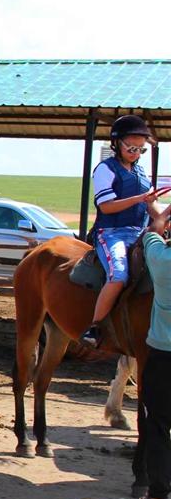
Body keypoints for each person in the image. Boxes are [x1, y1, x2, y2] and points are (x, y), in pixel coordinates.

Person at [84, 115, 163, 346]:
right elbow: (106, 206)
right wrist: (140, 198)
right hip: (111, 233)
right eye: (131, 146)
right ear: (117, 143)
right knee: (119, 275)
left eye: (140, 148)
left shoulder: (140, 173)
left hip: (141, 233)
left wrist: (165, 216)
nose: (136, 152)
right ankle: (94, 327)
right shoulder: (105, 169)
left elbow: (153, 208)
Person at [124, 207, 171, 499]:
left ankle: (156, 497)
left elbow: (151, 235)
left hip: (163, 355)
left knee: (156, 423)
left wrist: (158, 219)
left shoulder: (162, 261)